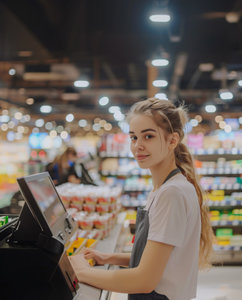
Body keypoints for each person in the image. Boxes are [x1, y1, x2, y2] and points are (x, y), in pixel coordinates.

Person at [69, 98, 214, 300]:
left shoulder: (171, 193)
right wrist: (108, 257)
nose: (138, 146)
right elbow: (159, 260)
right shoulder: (166, 188)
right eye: (134, 137)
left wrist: (82, 272)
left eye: (148, 136)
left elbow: (144, 281)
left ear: (173, 140)